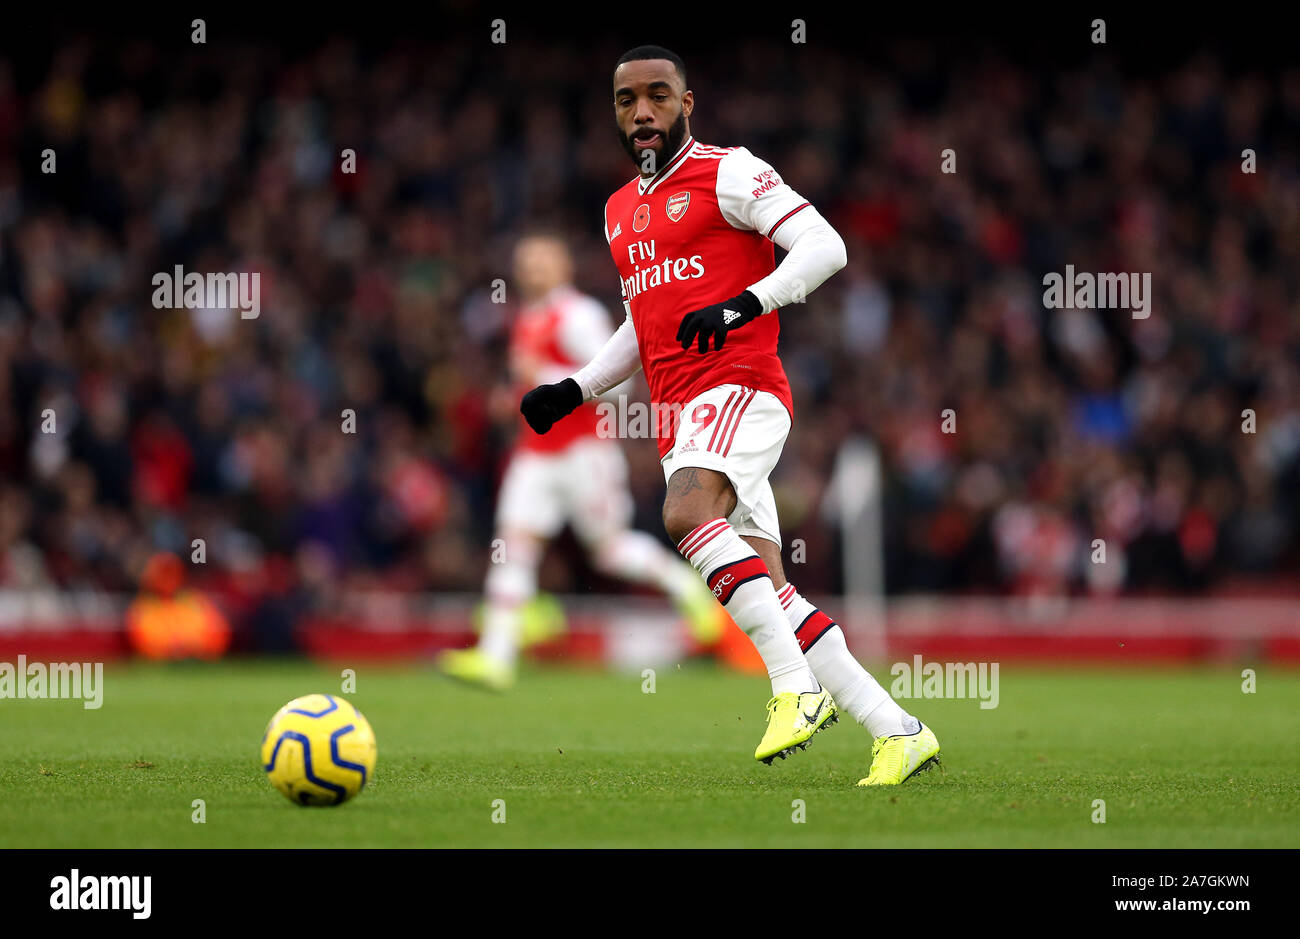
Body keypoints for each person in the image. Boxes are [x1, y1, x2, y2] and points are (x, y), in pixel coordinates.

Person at [519, 46, 940, 785]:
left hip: (741, 387)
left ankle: (793, 692)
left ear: (688, 103)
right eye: (627, 101)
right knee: (772, 590)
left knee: (684, 515)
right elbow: (642, 319)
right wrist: (578, 388)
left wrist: (747, 301)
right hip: (685, 417)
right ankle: (897, 729)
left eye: (658, 95)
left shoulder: (729, 170)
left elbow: (826, 245)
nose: (642, 111)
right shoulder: (620, 211)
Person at [438, 232, 728, 691]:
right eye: (526, 261)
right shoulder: (528, 317)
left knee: (609, 550)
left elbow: (617, 386)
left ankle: (692, 591)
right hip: (535, 454)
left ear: (564, 266)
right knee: (514, 546)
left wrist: (546, 378)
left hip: (586, 452)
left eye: (542, 260)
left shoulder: (579, 315)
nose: (532, 269)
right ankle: (496, 657)